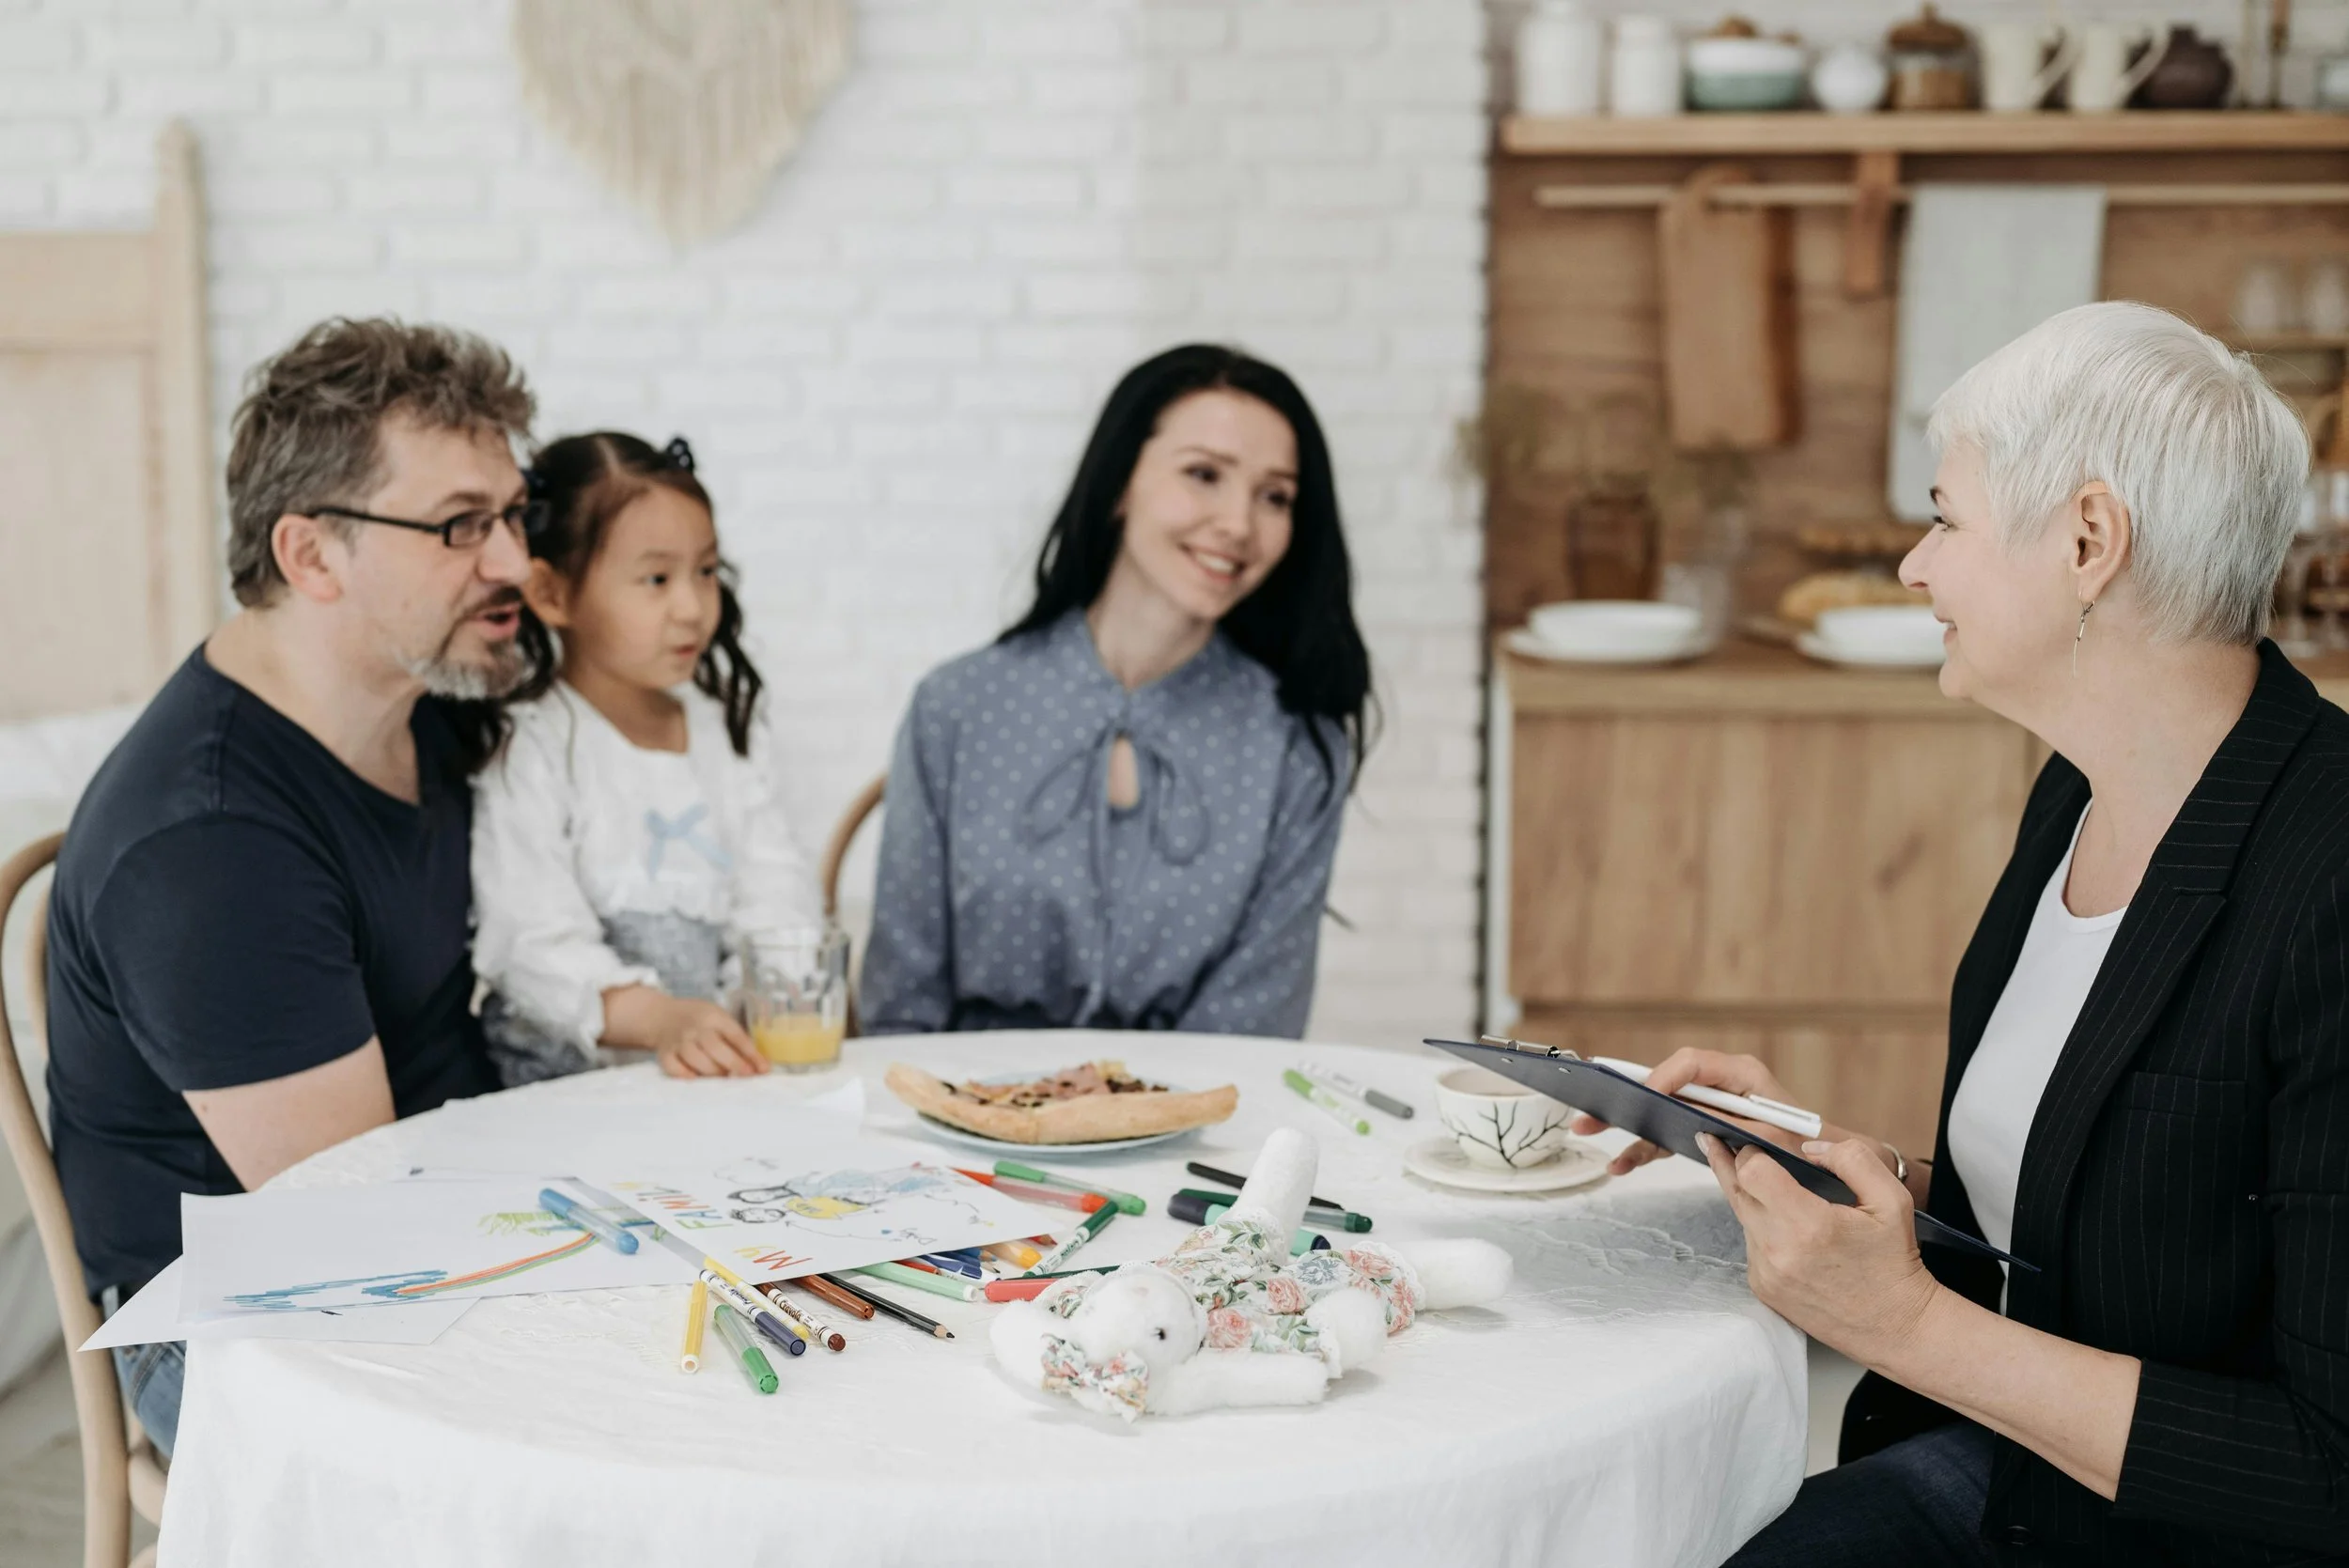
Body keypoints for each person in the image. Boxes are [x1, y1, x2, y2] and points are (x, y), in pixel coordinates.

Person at [1576, 303, 2349, 1566]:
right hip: (2022, 1478)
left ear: (2089, 540)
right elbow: (2090, 1218)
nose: (1913, 568)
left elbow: (2329, 1471)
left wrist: (1901, 1323)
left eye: (1945, 518)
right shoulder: (2076, 790)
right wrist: (1825, 1166)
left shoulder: (2328, 881)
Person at [44, 318, 539, 1457]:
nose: (514, 561)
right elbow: (352, 1230)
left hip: (445, 1204)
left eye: (515, 514)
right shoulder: (209, 848)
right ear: (311, 555)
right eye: (461, 525)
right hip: (240, 1315)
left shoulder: (434, 696)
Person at [859, 344, 1372, 1038]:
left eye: (1275, 496)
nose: (1239, 524)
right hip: (960, 1105)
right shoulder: (956, 708)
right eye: (1204, 474)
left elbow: (1253, 1034)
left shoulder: (1296, 748)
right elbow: (901, 1010)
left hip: (1201, 1107)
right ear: (1121, 481)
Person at [469, 431, 821, 1084]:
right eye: (656, 579)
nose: (692, 608)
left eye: (705, 572)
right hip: (562, 1097)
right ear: (552, 594)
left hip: (703, 1079)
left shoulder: (722, 730)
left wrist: (757, 996)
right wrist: (661, 1020)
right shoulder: (531, 746)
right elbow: (531, 939)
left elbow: (778, 891)